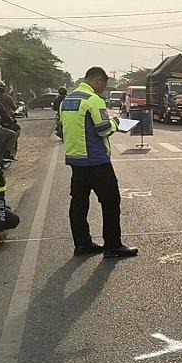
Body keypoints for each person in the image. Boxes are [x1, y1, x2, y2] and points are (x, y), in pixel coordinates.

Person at [60, 67, 138, 258]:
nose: (103, 89)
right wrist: (116, 123)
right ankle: (112, 245)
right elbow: (103, 129)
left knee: (78, 203)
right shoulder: (93, 100)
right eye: (103, 84)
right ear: (98, 80)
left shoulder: (67, 101)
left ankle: (82, 244)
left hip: (75, 161)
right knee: (111, 202)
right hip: (96, 160)